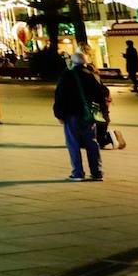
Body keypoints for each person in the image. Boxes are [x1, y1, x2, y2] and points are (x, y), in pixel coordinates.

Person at [53, 51, 106, 180]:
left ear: (72, 62)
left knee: (73, 143)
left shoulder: (67, 75)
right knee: (91, 143)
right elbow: (101, 94)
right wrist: (102, 111)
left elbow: (60, 96)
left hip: (71, 114)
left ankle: (77, 173)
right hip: (88, 115)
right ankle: (97, 172)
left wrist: (59, 114)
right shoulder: (90, 76)